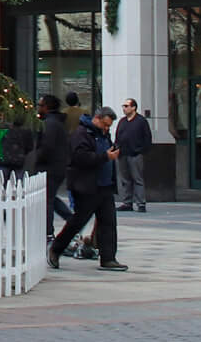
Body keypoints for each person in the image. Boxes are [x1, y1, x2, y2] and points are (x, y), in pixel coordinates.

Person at [48, 106, 128, 272]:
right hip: (86, 186)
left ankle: (108, 258)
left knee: (108, 223)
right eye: (105, 125)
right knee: (78, 221)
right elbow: (80, 158)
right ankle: (56, 249)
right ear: (96, 119)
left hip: (104, 186)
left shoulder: (103, 135)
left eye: (109, 126)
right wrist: (105, 156)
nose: (107, 129)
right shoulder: (82, 134)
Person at [25, 95, 71, 240]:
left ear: (47, 107)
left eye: (40, 105)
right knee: (49, 196)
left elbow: (47, 147)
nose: (38, 108)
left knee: (47, 200)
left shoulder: (50, 124)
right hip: (55, 167)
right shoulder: (54, 122)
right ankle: (71, 219)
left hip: (50, 168)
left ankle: (48, 231)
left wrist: (36, 158)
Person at [114, 99, 152, 213]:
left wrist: (140, 150)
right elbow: (118, 136)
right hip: (122, 154)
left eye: (126, 106)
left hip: (135, 154)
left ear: (133, 107)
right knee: (125, 179)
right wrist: (116, 148)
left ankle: (141, 203)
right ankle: (127, 202)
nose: (124, 108)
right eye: (123, 106)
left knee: (137, 179)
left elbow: (147, 138)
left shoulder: (141, 121)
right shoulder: (122, 121)